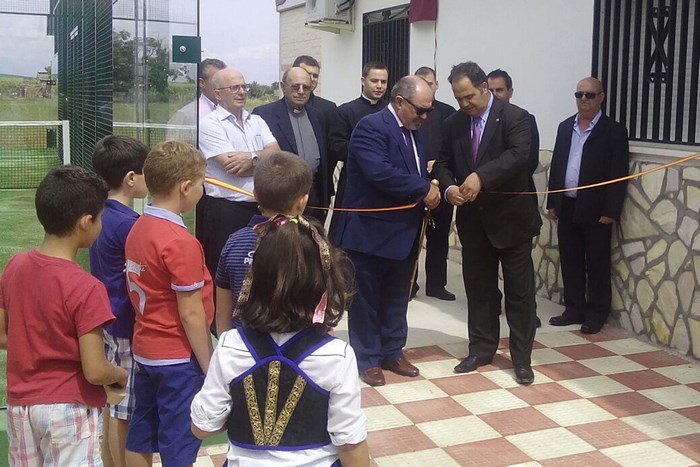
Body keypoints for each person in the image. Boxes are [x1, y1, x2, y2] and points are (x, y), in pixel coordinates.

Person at [191, 214, 369, 467]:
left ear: (254, 281)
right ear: (323, 284)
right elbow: (350, 442)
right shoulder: (337, 356)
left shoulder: (230, 346)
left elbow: (202, 428)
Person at [0, 166, 128, 466]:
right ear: (86, 222)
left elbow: (3, 336)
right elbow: (95, 370)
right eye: (100, 217)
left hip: (21, 407)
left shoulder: (15, 266)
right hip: (69, 411)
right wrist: (121, 375)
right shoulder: (87, 287)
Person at [432, 61, 541, 386]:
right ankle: (481, 349)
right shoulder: (453, 123)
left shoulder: (516, 117)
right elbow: (442, 162)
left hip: (512, 221)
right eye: (458, 98)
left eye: (469, 97)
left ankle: (522, 358)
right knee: (478, 289)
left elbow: (519, 157)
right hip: (473, 221)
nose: (465, 104)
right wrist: (450, 186)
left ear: (483, 87)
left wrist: (481, 177)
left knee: (519, 295)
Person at [335, 75, 440, 387]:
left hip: (403, 232)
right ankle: (367, 358)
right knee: (366, 299)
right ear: (399, 102)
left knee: (397, 296)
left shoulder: (414, 131)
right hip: (370, 233)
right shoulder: (371, 127)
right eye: (420, 111)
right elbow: (379, 172)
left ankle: (392, 351)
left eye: (428, 111)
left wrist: (429, 187)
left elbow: (416, 170)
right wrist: (423, 189)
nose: (424, 118)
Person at [124, 141, 215, 466]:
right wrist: (210, 365)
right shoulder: (180, 242)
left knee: (141, 435)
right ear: (186, 187)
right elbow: (191, 314)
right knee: (179, 445)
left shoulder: (138, 227)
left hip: (146, 349)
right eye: (202, 182)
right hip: (177, 357)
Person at [547, 77, 629, 334]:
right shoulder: (564, 127)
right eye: (579, 94)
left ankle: (596, 313)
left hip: (596, 210)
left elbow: (619, 174)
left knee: (596, 263)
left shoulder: (613, 131)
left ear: (601, 97)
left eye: (590, 95)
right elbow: (558, 165)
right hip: (567, 204)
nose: (584, 99)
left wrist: (611, 211)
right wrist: (553, 201)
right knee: (570, 260)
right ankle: (574, 309)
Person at [89, 135, 149, 467]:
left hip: (106, 319)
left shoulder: (100, 215)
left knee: (113, 404)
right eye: (144, 172)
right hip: (126, 322)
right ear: (130, 178)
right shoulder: (130, 225)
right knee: (125, 409)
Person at [215, 151, 313, 336]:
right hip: (300, 349)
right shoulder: (314, 244)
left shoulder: (235, 242)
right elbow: (321, 311)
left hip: (244, 348)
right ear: (303, 201)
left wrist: (226, 350)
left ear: (255, 195)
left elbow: (222, 312)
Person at [198, 68, 281, 279]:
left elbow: (276, 155)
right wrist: (262, 159)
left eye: (244, 86)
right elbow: (232, 168)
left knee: (260, 269)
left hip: (259, 209)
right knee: (225, 269)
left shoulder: (257, 120)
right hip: (226, 211)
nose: (242, 92)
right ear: (218, 93)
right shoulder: (209, 124)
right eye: (235, 87)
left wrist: (251, 158)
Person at [487, 68, 543, 328]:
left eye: (500, 90)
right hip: (486, 211)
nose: (496, 95)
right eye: (491, 90)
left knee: (520, 281)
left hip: (515, 209)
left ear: (510, 92)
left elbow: (527, 161)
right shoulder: (477, 122)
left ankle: (526, 319)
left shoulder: (523, 120)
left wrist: (489, 180)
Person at [253, 67, 332, 221]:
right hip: (281, 195)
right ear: (283, 87)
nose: (301, 91)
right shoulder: (264, 114)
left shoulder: (318, 116)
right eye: (295, 87)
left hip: (312, 194)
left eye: (306, 87)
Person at [329, 62, 389, 239]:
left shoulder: (392, 111)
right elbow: (336, 146)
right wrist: (366, 154)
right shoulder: (345, 111)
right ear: (363, 81)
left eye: (383, 82)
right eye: (374, 80)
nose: (379, 86)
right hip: (353, 182)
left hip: (384, 184)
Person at [412, 66, 457, 301]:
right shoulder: (411, 113)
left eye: (430, 83)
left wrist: (437, 164)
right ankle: (410, 284)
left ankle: (437, 285)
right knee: (412, 236)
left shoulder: (449, 114)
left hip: (441, 182)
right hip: (415, 184)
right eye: (422, 83)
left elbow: (453, 149)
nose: (427, 87)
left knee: (439, 238)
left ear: (437, 85)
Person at [167, 58, 227, 143]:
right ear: (202, 83)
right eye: (217, 81)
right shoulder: (187, 115)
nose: (224, 85)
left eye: (226, 81)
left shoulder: (232, 112)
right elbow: (175, 152)